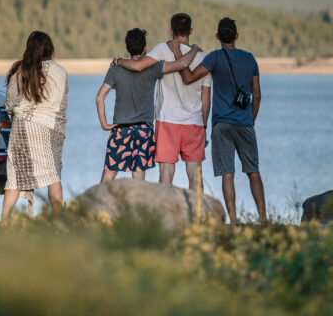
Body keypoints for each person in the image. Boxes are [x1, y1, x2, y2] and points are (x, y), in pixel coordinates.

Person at [171, 17, 266, 225]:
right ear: (236, 36)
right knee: (253, 171)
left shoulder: (214, 58)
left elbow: (189, 78)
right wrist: (251, 119)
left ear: (217, 37)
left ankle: (232, 222)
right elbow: (257, 95)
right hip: (245, 123)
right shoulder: (250, 59)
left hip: (221, 124)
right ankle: (264, 219)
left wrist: (178, 56)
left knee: (227, 175)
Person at [114, 13, 212, 191]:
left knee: (166, 176)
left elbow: (137, 66)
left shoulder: (162, 49)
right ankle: (197, 217)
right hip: (194, 123)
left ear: (171, 31)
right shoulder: (203, 58)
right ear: (190, 31)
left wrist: (119, 61)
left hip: (168, 121)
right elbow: (206, 98)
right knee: (195, 177)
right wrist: (204, 125)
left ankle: (166, 217)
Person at [96, 28, 201, 183]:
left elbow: (100, 97)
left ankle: (98, 205)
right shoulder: (154, 68)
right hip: (144, 130)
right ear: (145, 48)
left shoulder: (115, 70)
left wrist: (104, 124)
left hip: (120, 129)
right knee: (138, 177)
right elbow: (183, 63)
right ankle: (138, 207)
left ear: (127, 49)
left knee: (109, 174)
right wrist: (195, 49)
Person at [1, 31, 68, 225]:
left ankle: (4, 222)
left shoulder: (20, 70)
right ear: (50, 48)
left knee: (14, 178)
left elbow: (10, 102)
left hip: (22, 130)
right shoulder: (60, 72)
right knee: (53, 176)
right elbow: (62, 103)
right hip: (51, 130)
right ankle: (58, 221)